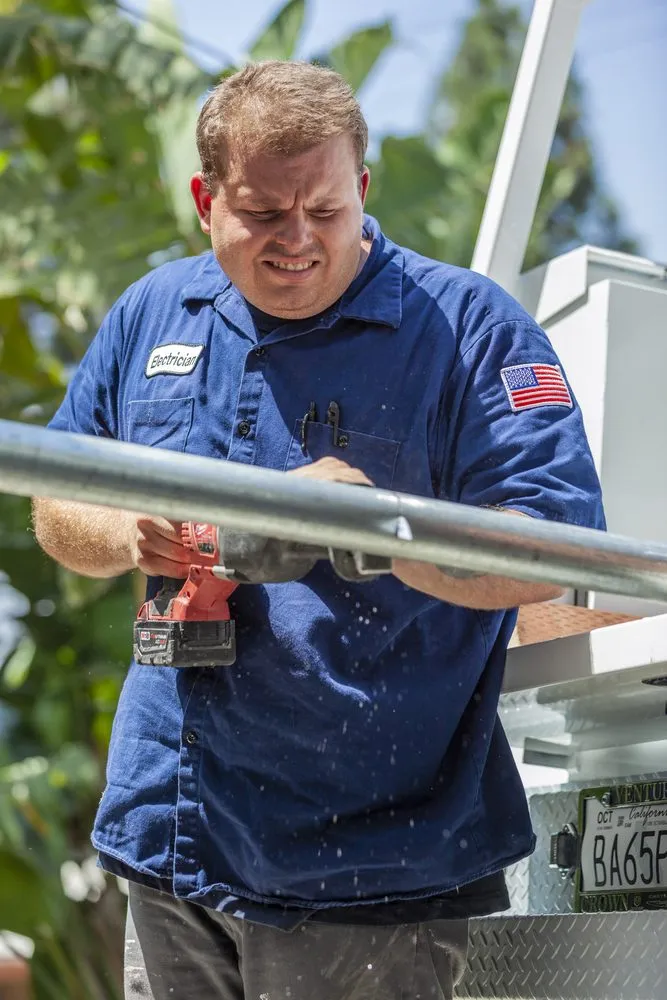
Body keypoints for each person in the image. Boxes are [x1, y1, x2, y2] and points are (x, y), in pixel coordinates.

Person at [33, 60, 605, 1000]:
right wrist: (124, 528)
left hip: (366, 864)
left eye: (326, 210)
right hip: (169, 837)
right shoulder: (152, 314)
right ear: (205, 200)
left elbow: (555, 542)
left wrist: (379, 528)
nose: (297, 238)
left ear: (363, 189)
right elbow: (57, 503)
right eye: (263, 212)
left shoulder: (469, 331)